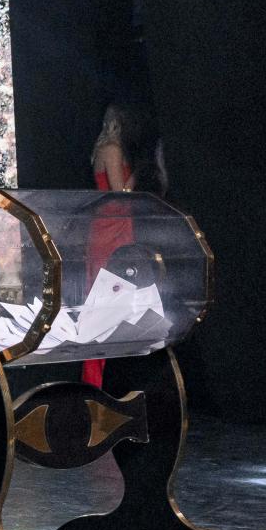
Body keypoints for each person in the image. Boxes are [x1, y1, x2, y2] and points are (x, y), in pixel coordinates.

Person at [81, 102, 166, 387]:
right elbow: (122, 192)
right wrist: (141, 171)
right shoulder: (113, 149)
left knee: (112, 302)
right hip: (113, 226)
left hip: (111, 224)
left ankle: (106, 378)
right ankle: (97, 380)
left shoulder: (103, 149)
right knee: (109, 300)